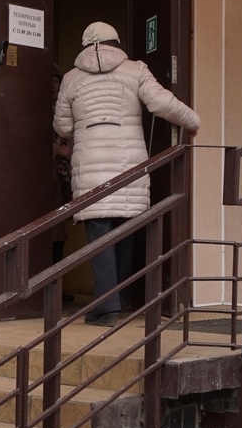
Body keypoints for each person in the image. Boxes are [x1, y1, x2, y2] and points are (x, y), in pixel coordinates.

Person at [53, 21, 200, 327]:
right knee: (125, 232)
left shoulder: (71, 78)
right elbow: (161, 103)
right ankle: (116, 300)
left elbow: (63, 127)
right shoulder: (136, 70)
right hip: (127, 167)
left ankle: (107, 306)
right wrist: (192, 121)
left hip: (90, 168)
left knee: (99, 236)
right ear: (116, 43)